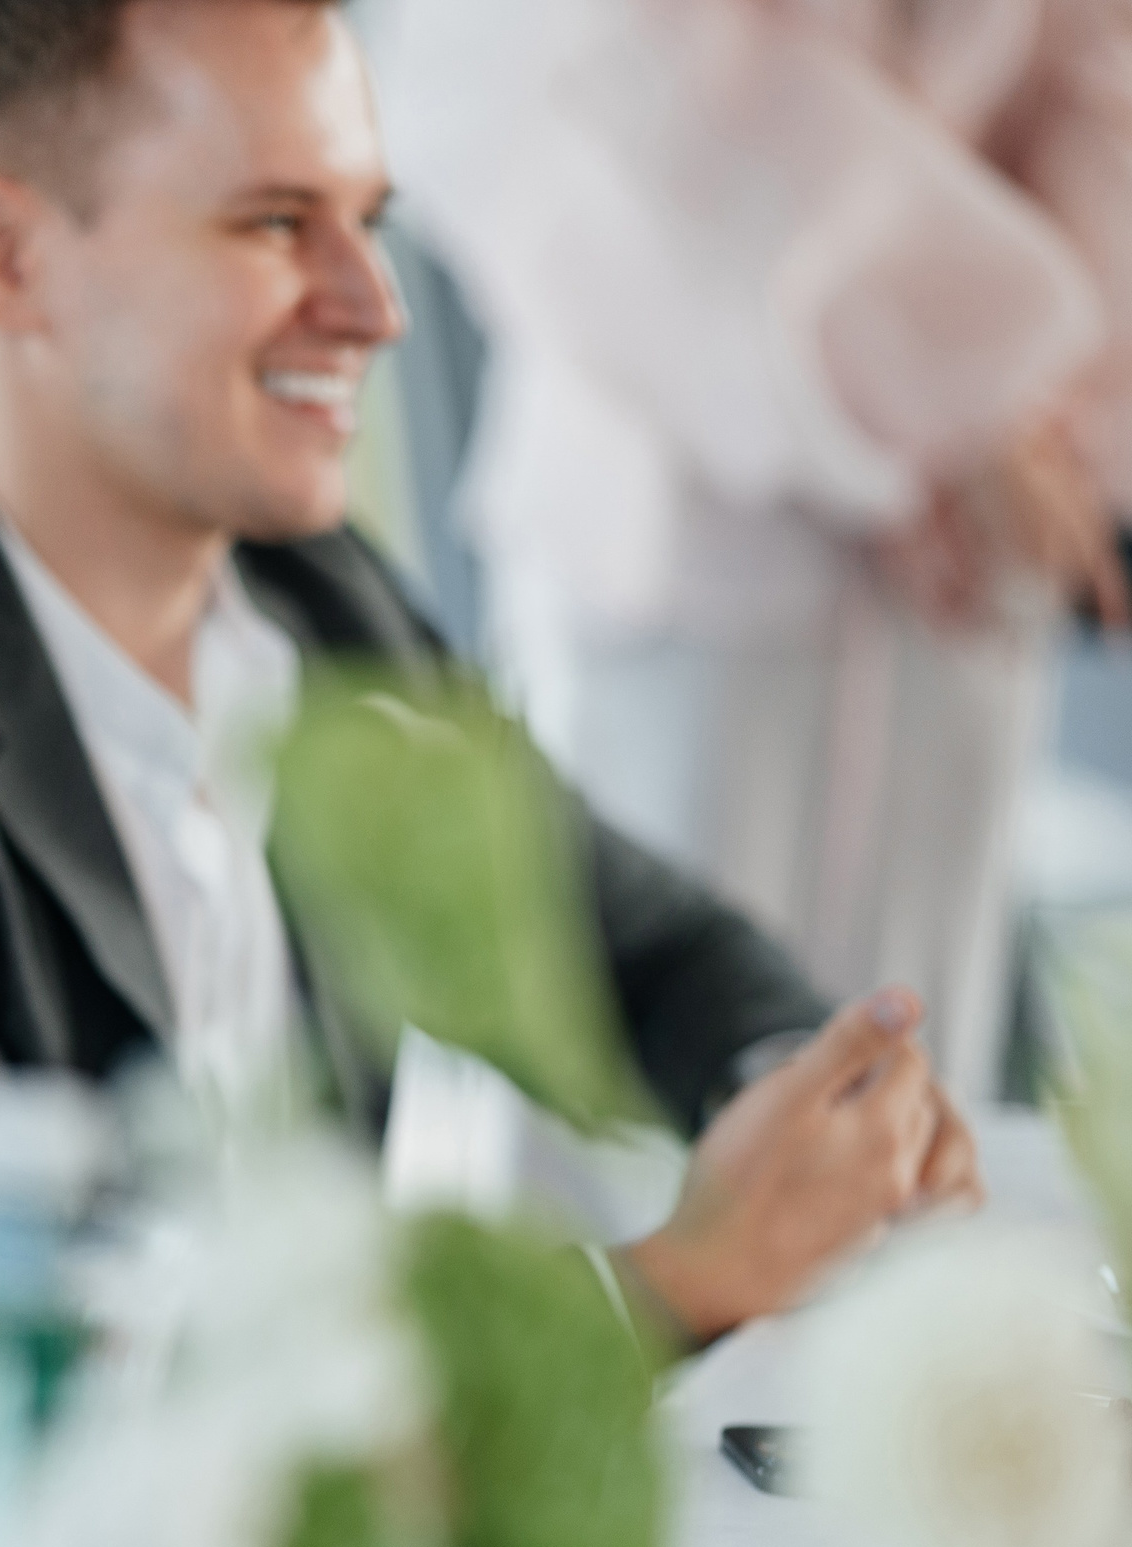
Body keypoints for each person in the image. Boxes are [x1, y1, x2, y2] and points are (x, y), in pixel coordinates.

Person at [0, 0, 982, 1547]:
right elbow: (52, 1453)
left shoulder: (313, 597)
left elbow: (644, 943)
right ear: (6, 257)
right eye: (278, 222)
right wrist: (681, 1275)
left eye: (367, 220)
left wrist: (823, 1119)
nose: (374, 306)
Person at [367, 0, 1132, 1101]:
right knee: (613, 1098)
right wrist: (945, 400)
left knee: (908, 1104)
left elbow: (1094, 72)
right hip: (678, 536)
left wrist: (1059, 420)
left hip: (977, 565)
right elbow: (584, 84)